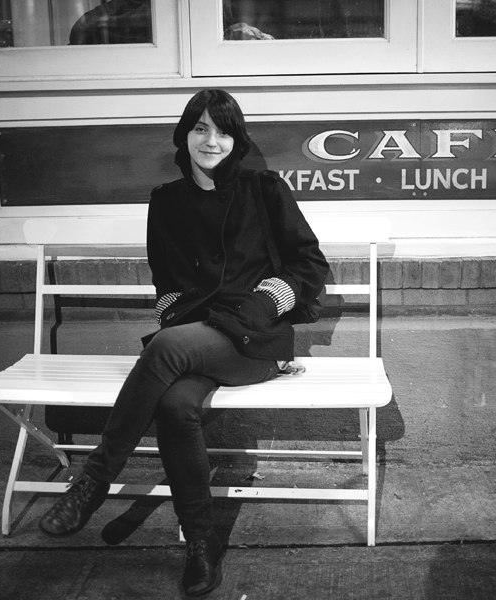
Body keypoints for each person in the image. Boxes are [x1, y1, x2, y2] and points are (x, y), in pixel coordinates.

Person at [37, 89, 329, 596]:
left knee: (166, 348)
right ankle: (201, 541)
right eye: (200, 128)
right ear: (185, 135)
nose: (210, 140)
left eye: (222, 130)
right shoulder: (166, 200)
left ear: (235, 138)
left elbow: (309, 265)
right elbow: (166, 284)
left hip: (254, 338)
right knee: (174, 405)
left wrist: (261, 305)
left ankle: (94, 480)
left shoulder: (264, 188)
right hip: (196, 335)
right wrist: (184, 321)